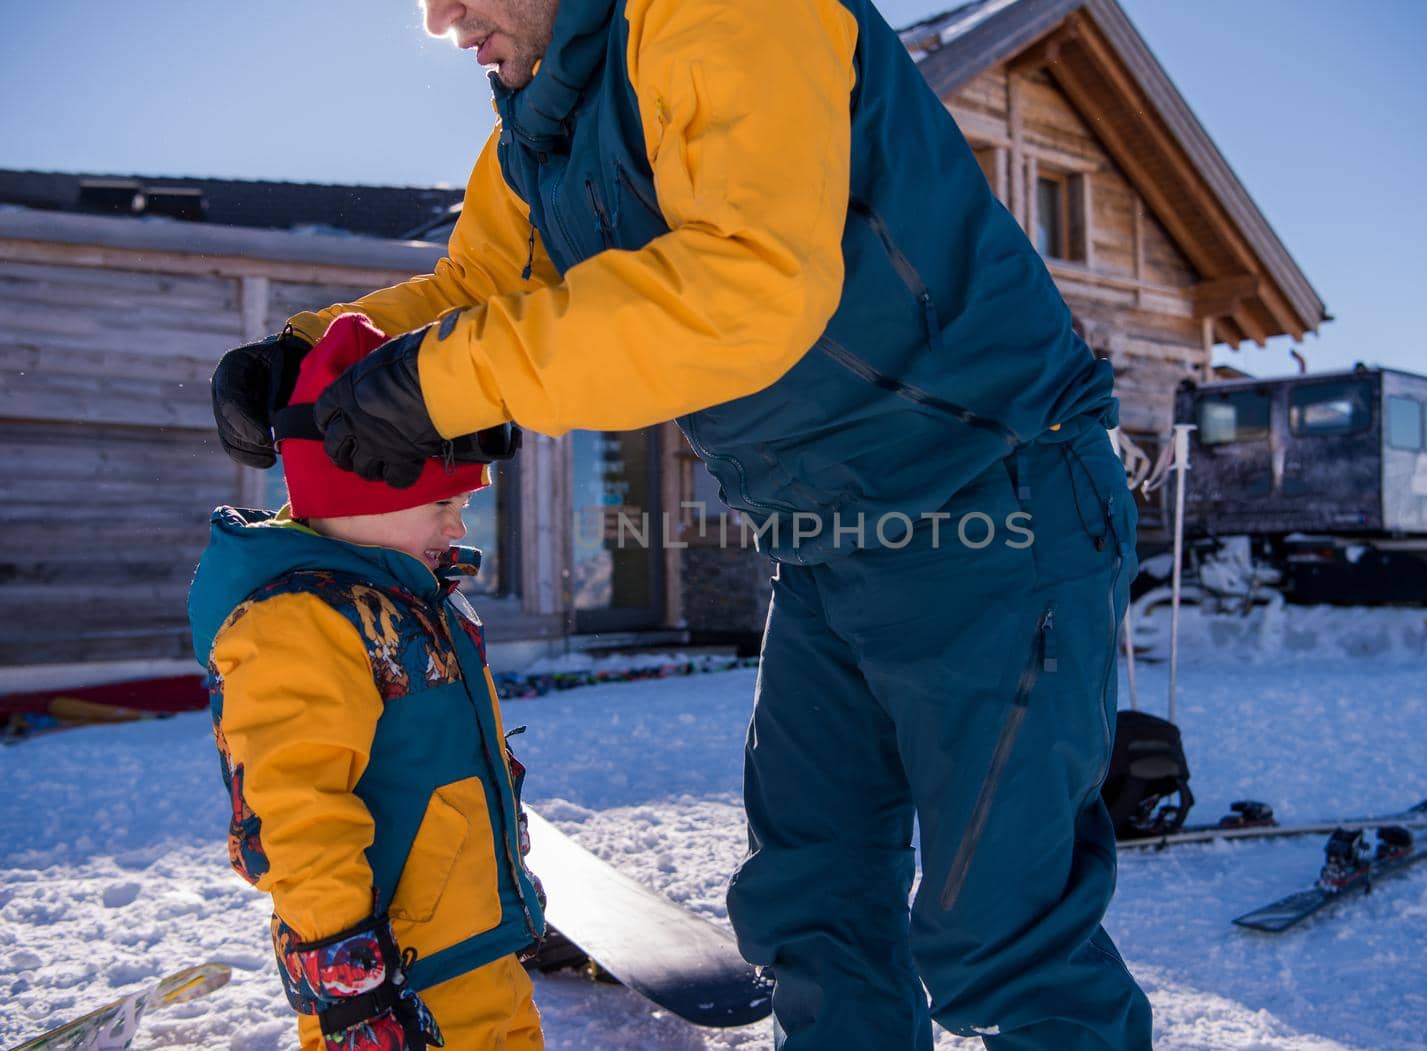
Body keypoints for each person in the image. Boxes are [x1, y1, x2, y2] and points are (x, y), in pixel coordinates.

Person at [210, 1, 1153, 1047]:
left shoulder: (731, 12)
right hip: (823, 538)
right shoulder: (546, 119)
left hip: (990, 497)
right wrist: (315, 355)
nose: (440, 18)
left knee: (1001, 934)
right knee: (814, 901)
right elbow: (485, 286)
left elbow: (744, 283)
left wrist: (440, 381)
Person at [192, 313, 545, 1051]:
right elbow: (300, 815)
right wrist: (353, 993)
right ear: (361, 497)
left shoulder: (415, 600)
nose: (457, 528)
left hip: (478, 952)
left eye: (462, 505)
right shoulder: (299, 623)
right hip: (395, 988)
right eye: (443, 505)